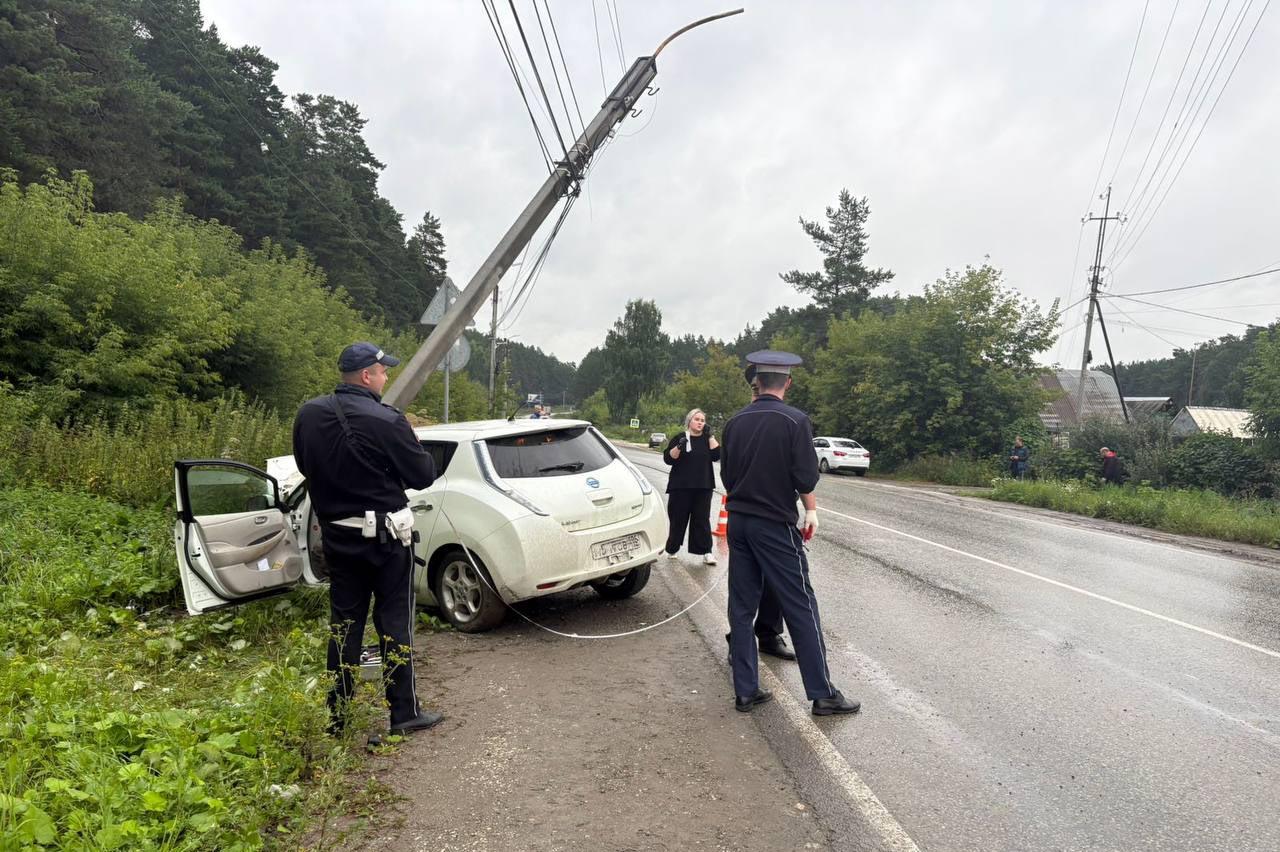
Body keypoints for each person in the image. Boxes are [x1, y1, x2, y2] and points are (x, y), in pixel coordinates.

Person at [293, 342, 443, 737]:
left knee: (344, 627)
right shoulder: (387, 420)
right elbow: (423, 475)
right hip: (386, 541)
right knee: (394, 621)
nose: (386, 376)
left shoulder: (308, 415)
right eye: (382, 371)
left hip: (337, 538)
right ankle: (404, 714)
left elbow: (303, 464)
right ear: (365, 376)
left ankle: (338, 718)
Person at [720, 350, 860, 717]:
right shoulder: (795, 421)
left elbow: (728, 478)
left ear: (757, 383)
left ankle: (746, 690)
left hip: (739, 521)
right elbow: (805, 477)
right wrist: (809, 509)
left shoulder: (734, 423)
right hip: (774, 525)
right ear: (788, 383)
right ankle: (823, 693)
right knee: (801, 605)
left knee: (741, 603)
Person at [662, 408, 721, 565]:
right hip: (680, 487)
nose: (700, 422)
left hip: (703, 486)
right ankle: (672, 548)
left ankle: (706, 552)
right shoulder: (680, 438)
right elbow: (668, 459)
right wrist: (679, 447)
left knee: (702, 520)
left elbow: (717, 455)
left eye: (703, 420)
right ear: (689, 421)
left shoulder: (706, 439)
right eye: (697, 419)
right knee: (678, 519)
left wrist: (711, 436)